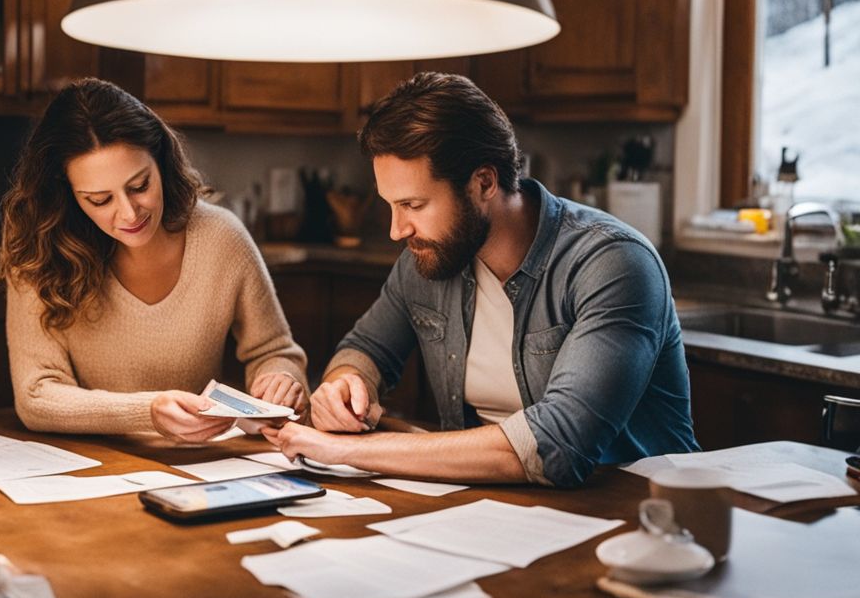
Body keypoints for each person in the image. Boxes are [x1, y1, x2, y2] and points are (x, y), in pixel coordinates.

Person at [263, 72, 698, 487]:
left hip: (638, 518)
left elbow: (559, 446)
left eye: (413, 205)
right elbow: (366, 349)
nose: (397, 230)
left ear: (484, 183)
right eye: (391, 206)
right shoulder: (428, 257)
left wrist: (348, 451)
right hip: (494, 510)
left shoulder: (612, 263)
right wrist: (346, 385)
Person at [0, 78, 308, 442]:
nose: (129, 213)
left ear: (160, 161)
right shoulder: (39, 255)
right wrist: (147, 412)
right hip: (89, 464)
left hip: (199, 465)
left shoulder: (221, 238)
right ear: (67, 196)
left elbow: (275, 351)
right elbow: (36, 396)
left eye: (140, 185)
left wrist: (281, 380)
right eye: (100, 200)